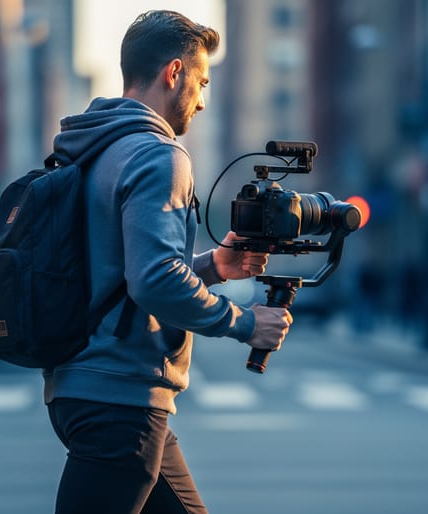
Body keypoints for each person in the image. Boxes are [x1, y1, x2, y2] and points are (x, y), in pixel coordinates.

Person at [43, 10, 293, 514]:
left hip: (86, 386)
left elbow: (122, 270)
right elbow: (154, 282)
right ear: (173, 73)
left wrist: (212, 266)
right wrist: (246, 324)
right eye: (201, 82)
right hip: (120, 398)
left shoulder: (95, 144)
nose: (203, 100)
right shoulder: (160, 155)